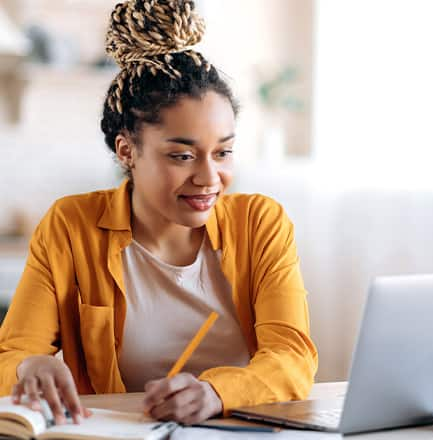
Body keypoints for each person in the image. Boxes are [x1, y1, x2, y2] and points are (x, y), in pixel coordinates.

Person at [0, 0, 318, 427]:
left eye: (223, 152)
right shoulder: (70, 226)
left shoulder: (260, 223)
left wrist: (214, 393)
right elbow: (13, 353)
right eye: (183, 155)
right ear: (127, 150)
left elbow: (293, 357)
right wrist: (28, 368)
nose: (209, 178)